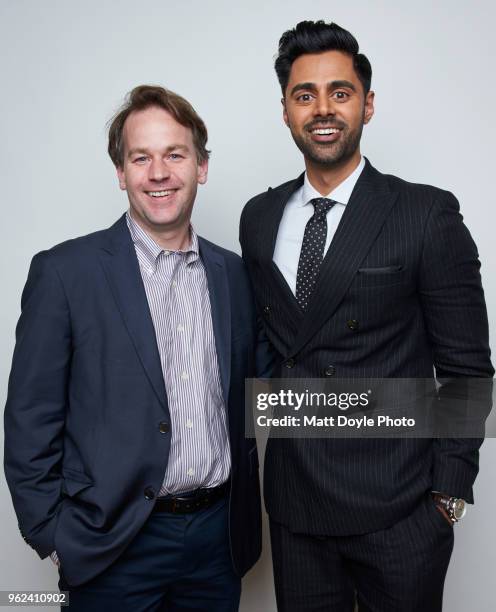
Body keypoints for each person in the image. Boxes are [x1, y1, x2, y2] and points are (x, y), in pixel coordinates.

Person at [239, 20, 494, 612]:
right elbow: (272, 349)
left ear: (367, 104)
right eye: (305, 95)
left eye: (340, 91)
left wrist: (447, 497)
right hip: (296, 508)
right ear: (285, 111)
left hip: (400, 510)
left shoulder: (424, 214)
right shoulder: (259, 217)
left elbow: (467, 370)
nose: (323, 108)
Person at [4, 85, 270, 612]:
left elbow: (267, 391)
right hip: (112, 546)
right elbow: (30, 417)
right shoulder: (64, 274)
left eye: (175, 154)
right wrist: (54, 537)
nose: (159, 172)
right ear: (121, 173)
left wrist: (409, 412)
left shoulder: (235, 275)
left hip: (218, 542)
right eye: (140, 157)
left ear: (202, 166)